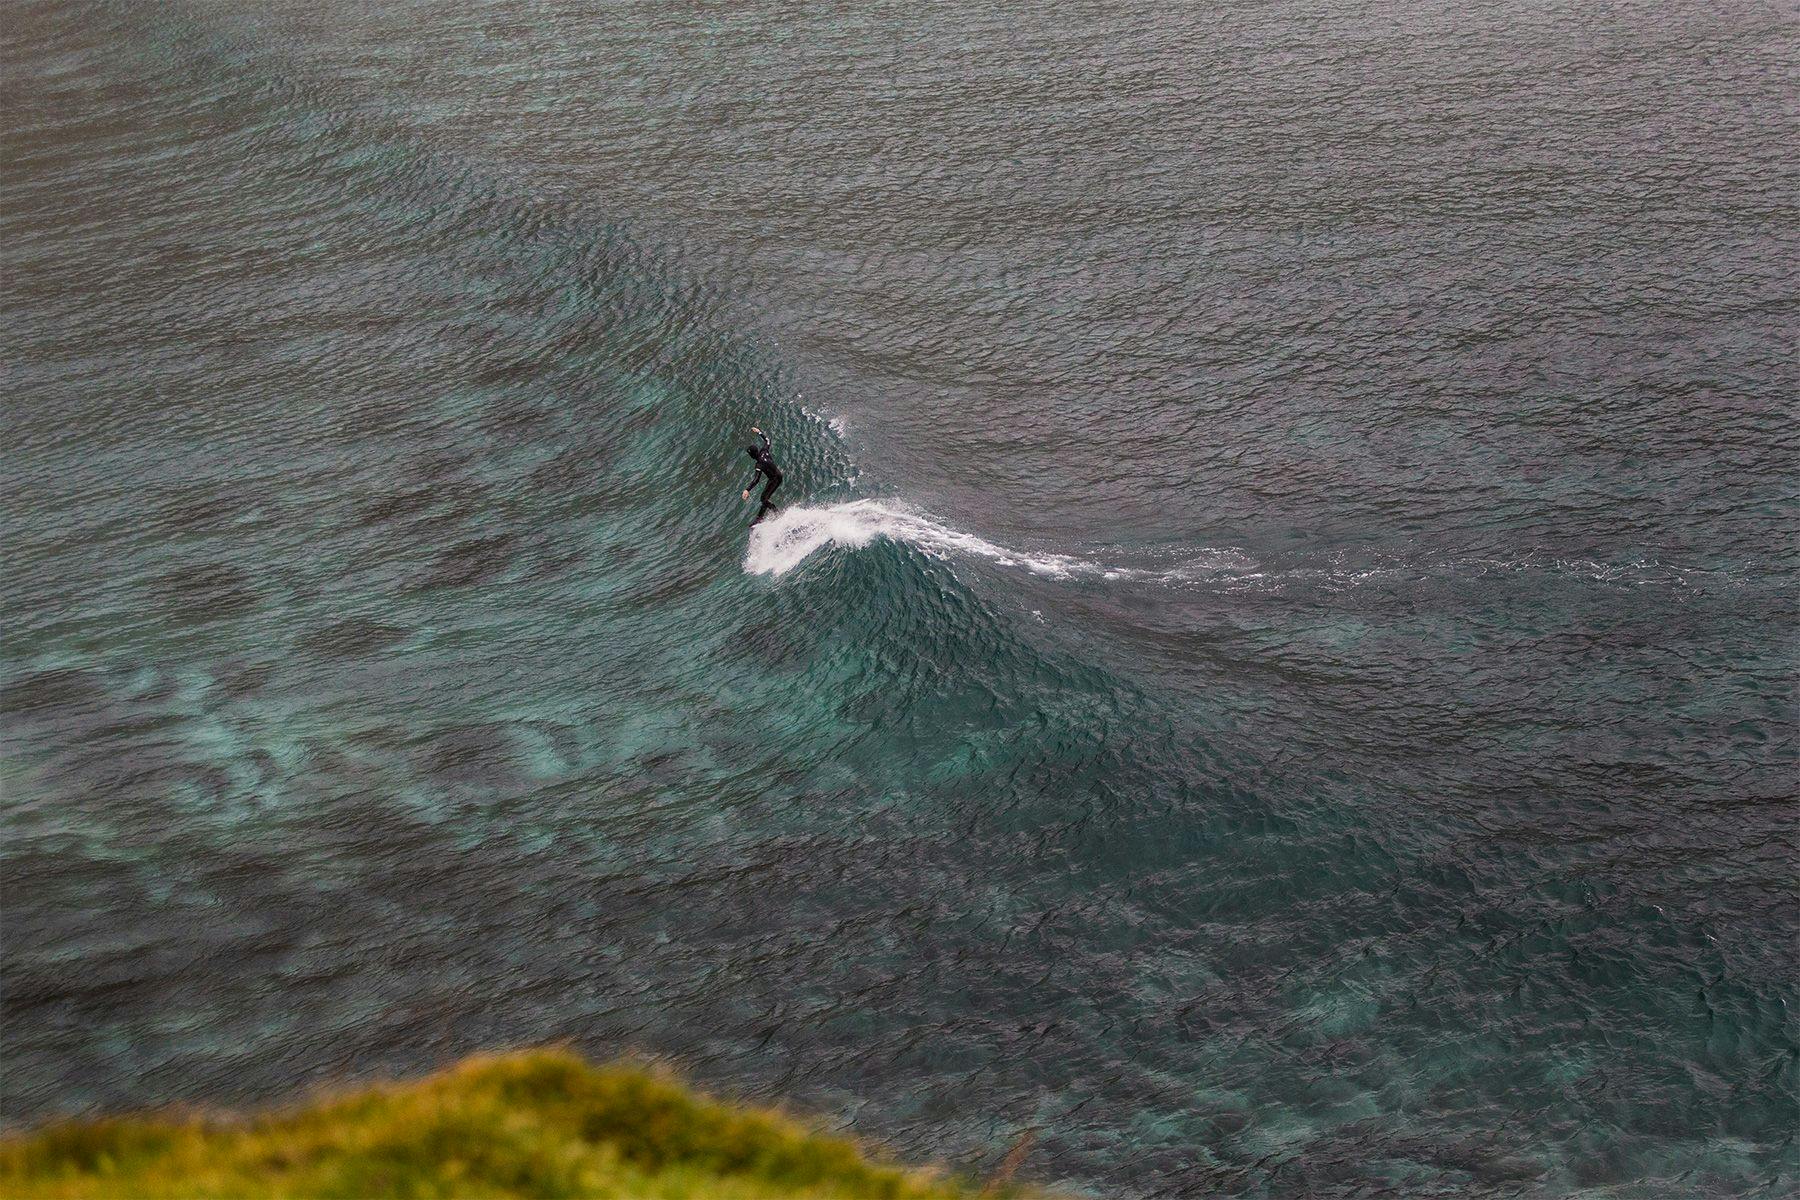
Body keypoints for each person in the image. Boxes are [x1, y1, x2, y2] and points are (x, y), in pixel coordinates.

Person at [741, 426, 782, 524]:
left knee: (763, 499)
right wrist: (759, 432)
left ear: (752, 455)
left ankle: (777, 513)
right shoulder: (764, 451)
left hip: (775, 479)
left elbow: (756, 480)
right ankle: (759, 518)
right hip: (777, 476)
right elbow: (767, 440)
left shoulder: (759, 464)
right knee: (765, 498)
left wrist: (747, 489)